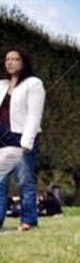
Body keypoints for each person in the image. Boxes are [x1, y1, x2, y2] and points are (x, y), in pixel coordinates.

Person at [0, 48, 46, 232]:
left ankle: (28, 221)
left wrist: (28, 141)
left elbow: (35, 114)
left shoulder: (33, 84)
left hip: (21, 139)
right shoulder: (1, 84)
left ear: (23, 62)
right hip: (2, 141)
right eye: (7, 59)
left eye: (15, 59)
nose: (10, 62)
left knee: (25, 182)